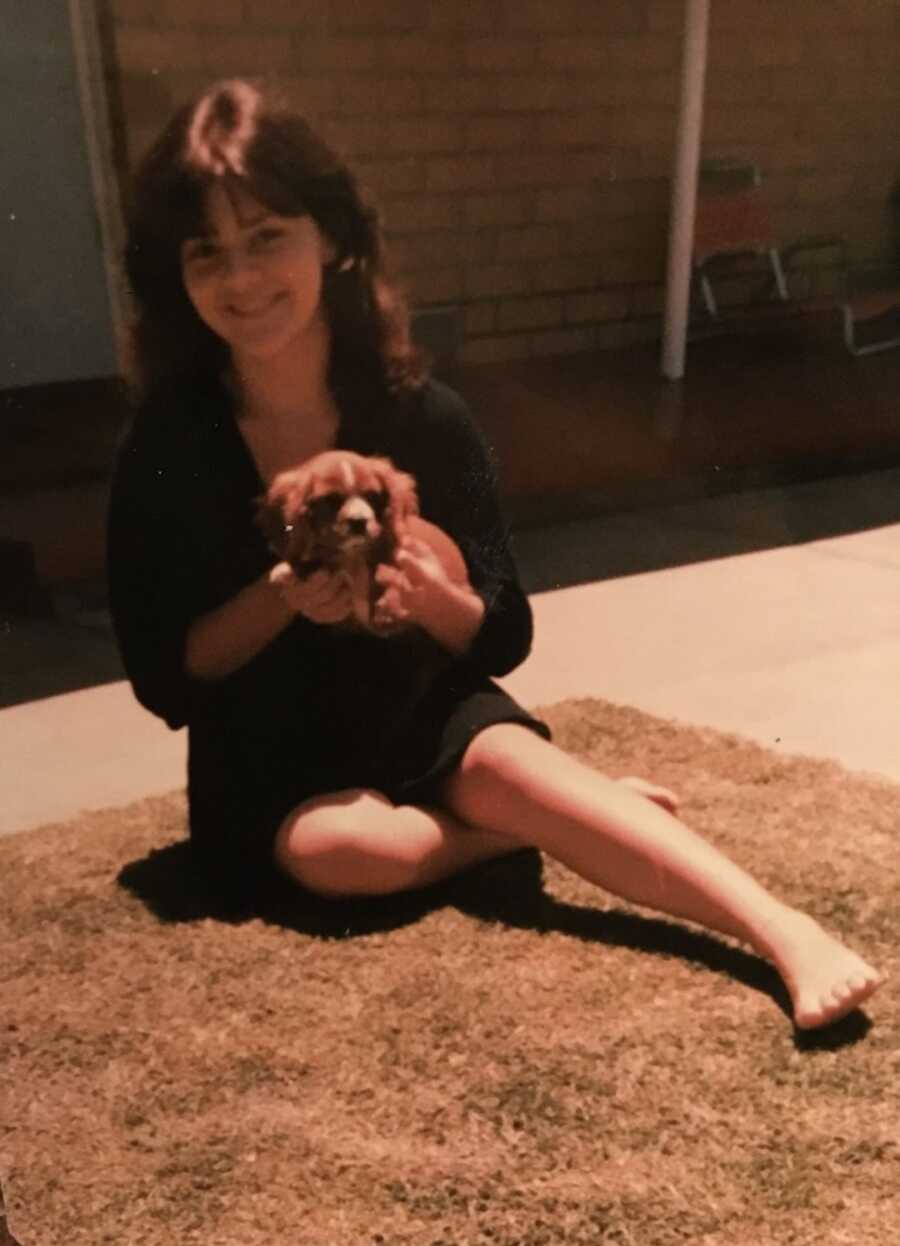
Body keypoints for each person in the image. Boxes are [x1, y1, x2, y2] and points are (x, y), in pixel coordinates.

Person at [108, 78, 881, 1032]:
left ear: (334, 239)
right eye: (206, 253)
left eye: (267, 234)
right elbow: (166, 677)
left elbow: (501, 631)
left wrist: (437, 599)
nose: (242, 276)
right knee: (336, 856)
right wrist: (278, 596)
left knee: (521, 771)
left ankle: (782, 931)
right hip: (270, 746)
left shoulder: (425, 417)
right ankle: (503, 837)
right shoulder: (168, 445)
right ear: (175, 277)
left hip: (416, 698)